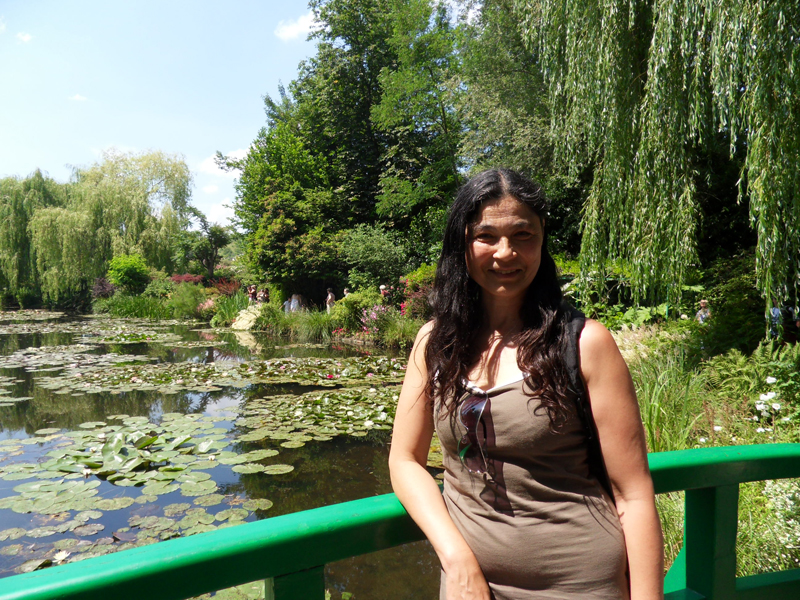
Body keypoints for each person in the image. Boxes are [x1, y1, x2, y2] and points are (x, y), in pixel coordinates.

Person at [389, 168, 663, 600]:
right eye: (486, 236)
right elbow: (405, 460)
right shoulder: (435, 343)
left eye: (523, 235)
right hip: (469, 587)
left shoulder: (584, 344)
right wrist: (455, 558)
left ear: (542, 239)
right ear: (461, 243)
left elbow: (633, 495)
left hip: (579, 585)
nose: (506, 253)